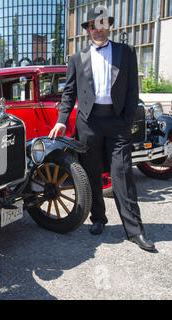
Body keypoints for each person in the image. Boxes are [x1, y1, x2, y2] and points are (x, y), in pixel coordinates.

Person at [48, 7, 155, 252]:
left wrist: (127, 121)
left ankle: (135, 230)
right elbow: (69, 93)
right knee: (92, 173)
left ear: (108, 26)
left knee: (122, 174)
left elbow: (131, 91)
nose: (98, 29)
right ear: (87, 30)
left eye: (102, 24)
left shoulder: (126, 52)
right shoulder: (77, 58)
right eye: (93, 25)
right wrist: (62, 120)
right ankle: (98, 218)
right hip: (89, 122)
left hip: (117, 123)